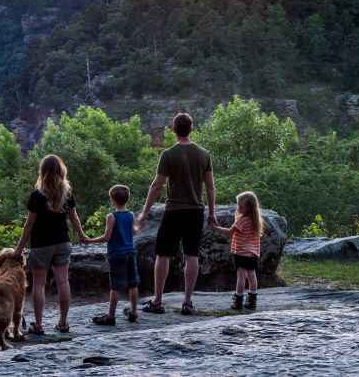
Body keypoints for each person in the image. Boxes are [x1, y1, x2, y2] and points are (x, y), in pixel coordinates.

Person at [136, 112, 215, 315]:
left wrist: (144, 212)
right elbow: (210, 187)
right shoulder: (204, 154)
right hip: (196, 211)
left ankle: (158, 301)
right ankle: (188, 302)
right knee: (192, 255)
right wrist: (212, 213)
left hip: (174, 210)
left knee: (163, 254)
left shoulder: (168, 154)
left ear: (173, 129)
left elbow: (156, 186)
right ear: (191, 128)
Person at [14, 154, 87, 335]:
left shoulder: (37, 195)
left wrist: (19, 249)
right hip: (63, 242)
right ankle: (63, 323)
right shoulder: (67, 192)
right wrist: (82, 235)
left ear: (43, 172)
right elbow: (74, 218)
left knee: (39, 285)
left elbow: (29, 224)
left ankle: (38, 325)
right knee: (63, 282)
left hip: (41, 245)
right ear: (61, 170)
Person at [83, 184, 140, 325]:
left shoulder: (111, 216)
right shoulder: (131, 215)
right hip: (130, 252)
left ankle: (111, 316)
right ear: (127, 200)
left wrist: (90, 240)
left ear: (112, 200)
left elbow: (107, 237)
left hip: (116, 255)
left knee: (115, 286)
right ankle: (133, 312)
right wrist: (138, 226)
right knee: (133, 283)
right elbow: (134, 232)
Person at [212, 191, 264, 310]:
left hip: (241, 253)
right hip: (253, 253)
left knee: (241, 275)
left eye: (241, 206)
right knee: (251, 275)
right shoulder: (256, 220)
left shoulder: (242, 220)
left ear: (249, 208)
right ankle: (252, 300)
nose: (238, 208)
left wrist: (215, 228)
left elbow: (230, 232)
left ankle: (238, 300)